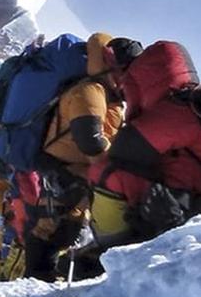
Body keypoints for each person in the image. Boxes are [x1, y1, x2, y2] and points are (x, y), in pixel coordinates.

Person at [86, 40, 201, 248]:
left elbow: (124, 151)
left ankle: (107, 252)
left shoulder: (173, 110)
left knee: (106, 173)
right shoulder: (191, 101)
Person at [23, 33, 143, 282]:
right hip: (63, 170)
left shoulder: (111, 101)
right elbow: (90, 141)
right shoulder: (90, 91)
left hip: (78, 173)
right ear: (113, 65)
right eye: (127, 71)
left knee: (68, 228)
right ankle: (36, 280)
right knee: (50, 228)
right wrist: (118, 173)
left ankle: (46, 279)